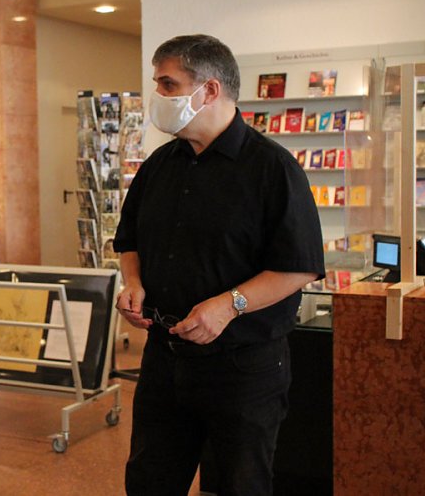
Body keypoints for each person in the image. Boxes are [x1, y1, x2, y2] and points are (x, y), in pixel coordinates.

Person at [114, 34, 325, 496]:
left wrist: (228, 306)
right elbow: (130, 242)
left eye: (168, 84)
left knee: (240, 484)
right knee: (149, 480)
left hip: (243, 367)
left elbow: (299, 267)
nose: (158, 97)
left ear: (208, 90)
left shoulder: (274, 168)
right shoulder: (158, 165)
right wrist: (133, 283)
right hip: (164, 359)